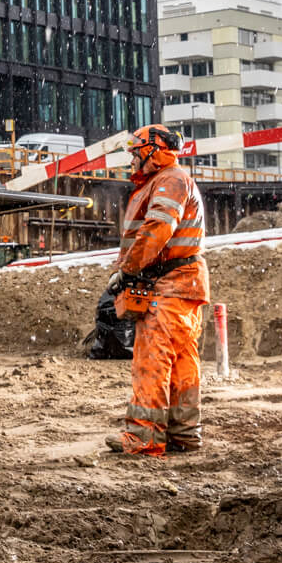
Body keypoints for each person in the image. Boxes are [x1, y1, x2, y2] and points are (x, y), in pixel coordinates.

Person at [103, 124, 209, 456]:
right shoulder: (170, 180)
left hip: (169, 285)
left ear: (153, 150)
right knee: (181, 362)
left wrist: (128, 269)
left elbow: (159, 226)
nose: (132, 158)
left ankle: (144, 436)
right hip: (183, 285)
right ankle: (183, 433)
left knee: (152, 360)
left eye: (136, 152)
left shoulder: (169, 180)